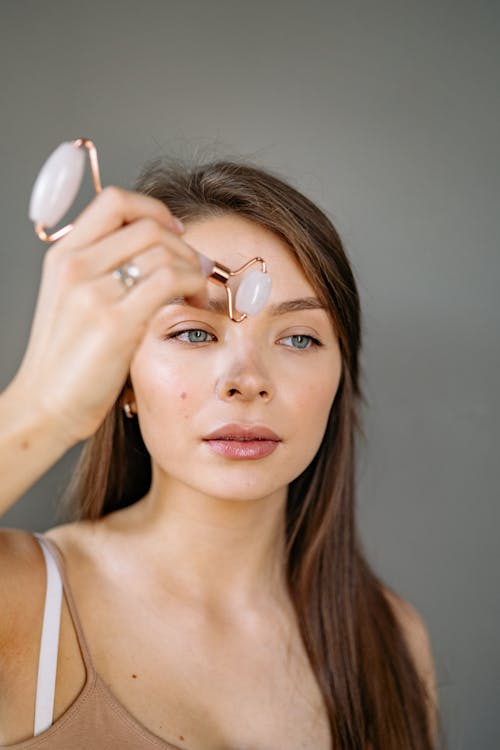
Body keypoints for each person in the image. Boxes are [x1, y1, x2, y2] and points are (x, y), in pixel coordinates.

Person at [0, 156, 443, 749]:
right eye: (193, 332)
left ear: (340, 380)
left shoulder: (392, 640)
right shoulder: (25, 599)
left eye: (298, 337)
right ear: (124, 379)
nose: (247, 379)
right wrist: (46, 407)